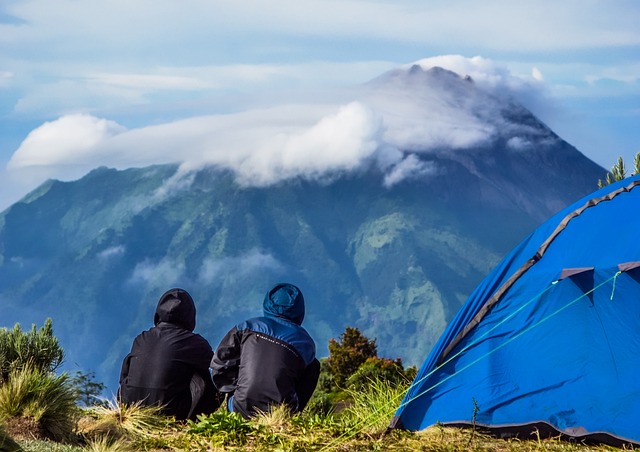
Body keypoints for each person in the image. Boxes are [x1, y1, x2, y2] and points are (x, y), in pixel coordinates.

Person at [211, 283, 320, 418]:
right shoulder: (306, 342)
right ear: (300, 310)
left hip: (240, 408)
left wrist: (235, 388)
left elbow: (220, 364)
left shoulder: (246, 327)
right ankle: (291, 413)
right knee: (313, 365)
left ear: (268, 303)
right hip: (279, 413)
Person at [118, 288, 221, 420]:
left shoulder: (141, 338)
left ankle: (125, 407)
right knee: (204, 374)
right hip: (168, 412)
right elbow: (219, 366)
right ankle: (196, 420)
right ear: (190, 316)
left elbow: (125, 372)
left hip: (130, 407)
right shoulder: (194, 342)